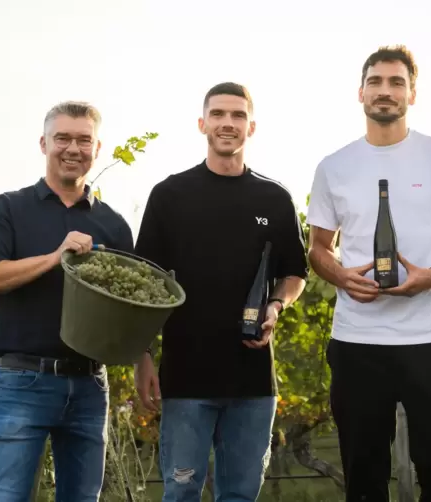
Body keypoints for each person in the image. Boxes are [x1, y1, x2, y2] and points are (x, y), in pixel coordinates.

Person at [306, 45, 431, 502]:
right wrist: (341, 277)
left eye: (396, 83)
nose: (385, 92)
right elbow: (317, 249)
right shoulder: (334, 166)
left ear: (412, 93)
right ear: (361, 92)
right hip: (357, 343)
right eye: (376, 82)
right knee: (364, 476)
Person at [132, 82, 309, 502]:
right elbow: (143, 284)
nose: (227, 123)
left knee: (240, 496)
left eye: (237, 115)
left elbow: (295, 272)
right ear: (202, 123)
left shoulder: (275, 197)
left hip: (252, 383)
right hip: (185, 379)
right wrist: (142, 358)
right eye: (218, 114)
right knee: (180, 493)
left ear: (251, 126)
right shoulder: (169, 196)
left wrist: (277, 303)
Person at [0, 101, 135, 501]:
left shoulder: (112, 223)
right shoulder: (8, 208)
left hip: (91, 385)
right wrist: (55, 258)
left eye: (83, 140)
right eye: (63, 138)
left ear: (97, 148)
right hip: (24, 380)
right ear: (44, 143)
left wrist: (143, 363)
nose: (73, 148)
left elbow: (129, 306)